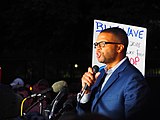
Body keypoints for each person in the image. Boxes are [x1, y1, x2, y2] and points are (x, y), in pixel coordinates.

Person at [76, 27, 151, 120]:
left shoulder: (134, 80)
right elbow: (82, 115)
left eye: (102, 44)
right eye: (96, 44)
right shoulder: (99, 75)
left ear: (119, 48)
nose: (97, 49)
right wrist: (86, 93)